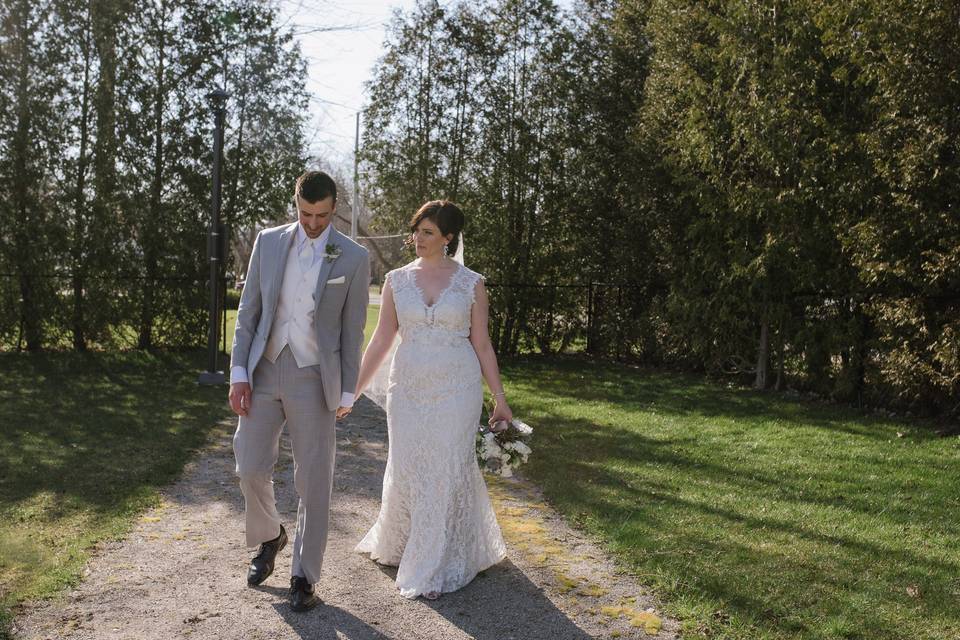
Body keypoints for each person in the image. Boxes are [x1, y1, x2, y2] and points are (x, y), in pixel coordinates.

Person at [351, 200, 510, 600]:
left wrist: (501, 400)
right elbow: (381, 340)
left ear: (448, 238)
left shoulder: (471, 283)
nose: (418, 239)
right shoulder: (396, 280)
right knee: (409, 464)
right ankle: (404, 543)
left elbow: (483, 344)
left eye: (428, 233)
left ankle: (433, 562)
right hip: (408, 389)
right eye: (417, 231)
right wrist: (351, 390)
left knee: (444, 467)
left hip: (457, 389)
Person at [228, 170, 369, 612]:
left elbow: (353, 328)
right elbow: (249, 310)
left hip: (315, 377)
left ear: (334, 209)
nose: (313, 223)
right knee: (249, 466)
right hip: (264, 369)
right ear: (296, 204)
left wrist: (348, 389)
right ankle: (271, 535)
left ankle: (304, 577)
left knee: (314, 482)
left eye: (322, 215)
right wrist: (238, 372)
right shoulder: (268, 242)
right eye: (306, 214)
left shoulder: (353, 256)